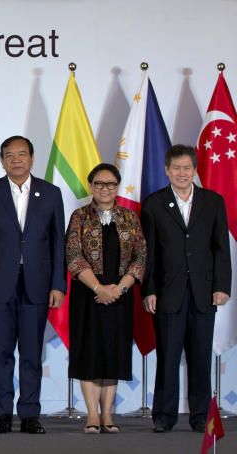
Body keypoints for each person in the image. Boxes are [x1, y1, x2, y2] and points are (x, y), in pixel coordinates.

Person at [0, 135, 66, 434]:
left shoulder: (50, 193)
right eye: (9, 155)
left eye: (22, 154)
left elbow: (57, 244)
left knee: (30, 353)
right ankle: (2, 412)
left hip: (37, 285)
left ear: (32, 158)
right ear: (2, 161)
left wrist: (58, 284)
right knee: (1, 352)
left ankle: (29, 413)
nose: (16, 159)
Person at [142, 145, 231, 433]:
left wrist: (222, 286)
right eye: (176, 168)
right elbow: (149, 252)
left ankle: (201, 417)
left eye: (187, 167)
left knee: (200, 357)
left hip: (205, 293)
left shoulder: (213, 201)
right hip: (168, 292)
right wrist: (149, 290)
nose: (182, 173)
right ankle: (164, 416)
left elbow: (221, 248)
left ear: (195, 170)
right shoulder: (154, 203)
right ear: (167, 170)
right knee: (167, 356)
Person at [64, 163, 145, 434]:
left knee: (114, 354)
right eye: (99, 184)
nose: (105, 189)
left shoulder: (130, 217)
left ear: (117, 187)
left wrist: (119, 289)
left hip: (120, 297)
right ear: (91, 187)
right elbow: (73, 255)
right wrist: (99, 288)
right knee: (89, 354)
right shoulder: (80, 216)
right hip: (87, 297)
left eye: (110, 184)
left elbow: (140, 256)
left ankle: (108, 415)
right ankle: (91, 416)